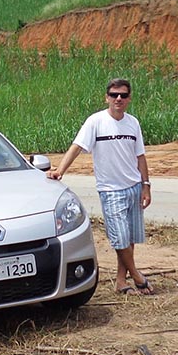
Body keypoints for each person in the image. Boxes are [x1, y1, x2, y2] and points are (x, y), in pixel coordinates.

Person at [48, 78, 154, 295]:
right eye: (114, 95)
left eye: (123, 95)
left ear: (129, 99)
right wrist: (60, 170)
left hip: (133, 186)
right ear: (107, 97)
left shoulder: (133, 123)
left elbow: (140, 156)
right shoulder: (95, 122)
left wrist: (146, 185)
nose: (118, 99)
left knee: (129, 238)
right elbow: (77, 147)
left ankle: (121, 281)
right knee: (119, 237)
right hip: (110, 189)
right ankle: (137, 276)